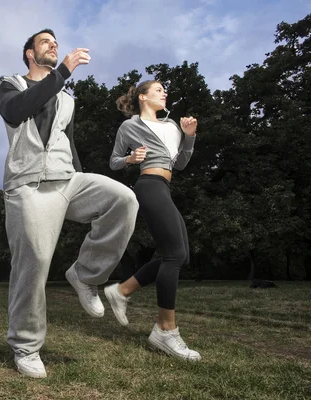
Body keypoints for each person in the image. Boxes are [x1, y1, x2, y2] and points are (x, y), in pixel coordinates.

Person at [0, 29, 139, 378]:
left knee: (123, 199)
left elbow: (67, 142)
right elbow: (16, 112)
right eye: (45, 42)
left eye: (55, 43)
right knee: (35, 262)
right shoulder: (10, 84)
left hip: (67, 179)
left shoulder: (67, 99)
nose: (53, 46)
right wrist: (62, 73)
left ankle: (85, 274)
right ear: (30, 53)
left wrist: (80, 176)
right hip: (28, 184)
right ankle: (26, 347)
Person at [106, 80, 201, 361]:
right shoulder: (130, 127)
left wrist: (189, 136)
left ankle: (122, 291)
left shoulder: (172, 127)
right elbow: (113, 161)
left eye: (165, 90)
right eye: (158, 90)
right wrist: (130, 159)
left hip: (165, 187)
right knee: (174, 255)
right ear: (144, 97)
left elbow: (180, 163)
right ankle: (165, 330)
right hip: (147, 185)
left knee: (180, 256)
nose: (164, 93)